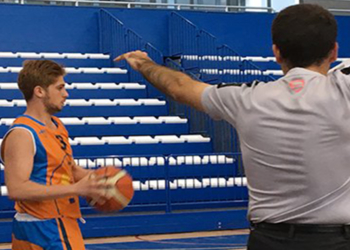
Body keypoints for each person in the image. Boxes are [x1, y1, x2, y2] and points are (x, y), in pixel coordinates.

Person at [115, 4, 350, 250]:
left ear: (276, 52)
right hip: (337, 241)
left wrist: (143, 63)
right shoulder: (343, 89)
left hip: (269, 241)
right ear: (334, 52)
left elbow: (179, 87)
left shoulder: (245, 98)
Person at [1, 60, 109, 250]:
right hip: (45, 227)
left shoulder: (57, 126)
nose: (66, 94)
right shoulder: (23, 133)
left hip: (51, 223)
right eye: (60, 88)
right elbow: (17, 189)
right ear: (39, 91)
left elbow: (69, 168)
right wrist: (76, 189)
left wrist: (96, 180)